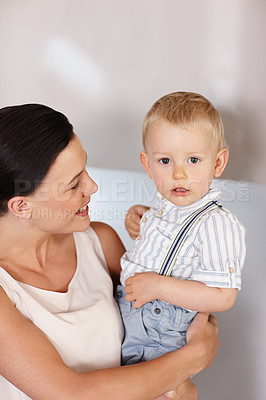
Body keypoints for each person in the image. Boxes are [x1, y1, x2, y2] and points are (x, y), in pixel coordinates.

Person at [0, 103, 219, 400]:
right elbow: (70, 394)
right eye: (74, 184)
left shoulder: (99, 241)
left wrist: (164, 233)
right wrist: (195, 356)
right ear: (22, 206)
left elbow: (180, 313)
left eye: (85, 170)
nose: (92, 186)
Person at [117, 91, 246, 366]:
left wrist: (158, 286)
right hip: (130, 316)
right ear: (148, 165)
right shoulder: (169, 206)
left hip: (160, 335)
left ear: (218, 163)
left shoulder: (216, 223)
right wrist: (143, 218)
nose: (179, 174)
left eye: (193, 160)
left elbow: (223, 297)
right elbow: (170, 246)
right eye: (165, 161)